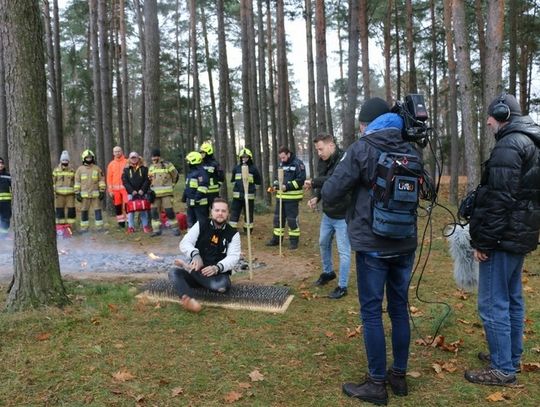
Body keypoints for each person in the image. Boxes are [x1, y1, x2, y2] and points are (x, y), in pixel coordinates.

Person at [322, 97, 421, 405]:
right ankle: (399, 377)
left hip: (373, 244)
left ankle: (377, 384)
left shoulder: (362, 148)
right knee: (399, 308)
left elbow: (330, 191)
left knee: (371, 311)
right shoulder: (410, 146)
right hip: (404, 243)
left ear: (366, 124)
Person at [464, 93, 540, 386]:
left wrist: (484, 242)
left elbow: (500, 201)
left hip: (503, 238)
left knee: (493, 303)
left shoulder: (509, 145)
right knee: (512, 299)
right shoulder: (530, 141)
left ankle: (502, 368)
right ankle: (510, 356)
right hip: (518, 236)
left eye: (491, 117)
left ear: (502, 113)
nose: (487, 122)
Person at [168, 198, 241, 313]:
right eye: (217, 210)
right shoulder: (201, 225)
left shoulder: (233, 234)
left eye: (223, 211)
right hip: (197, 269)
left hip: (217, 275)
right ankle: (189, 299)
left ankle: (188, 268)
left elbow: (234, 256)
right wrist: (196, 255)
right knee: (174, 272)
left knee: (222, 287)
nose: (220, 213)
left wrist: (217, 268)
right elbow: (185, 242)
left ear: (228, 214)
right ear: (211, 212)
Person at [304, 134, 351, 299]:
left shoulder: (344, 159)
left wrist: (313, 181)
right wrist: (317, 197)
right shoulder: (322, 161)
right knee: (323, 243)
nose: (319, 153)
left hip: (343, 214)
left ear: (331, 145)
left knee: (344, 251)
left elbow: (334, 179)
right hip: (328, 212)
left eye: (321, 149)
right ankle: (328, 272)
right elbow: (324, 183)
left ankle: (342, 286)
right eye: (317, 149)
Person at [266, 146, 306, 250]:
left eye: (283, 157)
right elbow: (277, 178)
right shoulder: (281, 164)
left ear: (288, 154)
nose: (282, 160)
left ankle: (294, 242)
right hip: (280, 197)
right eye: (281, 158)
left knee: (292, 220)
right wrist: (275, 186)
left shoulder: (298, 164)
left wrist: (286, 186)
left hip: (292, 198)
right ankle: (276, 239)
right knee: (278, 219)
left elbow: (301, 180)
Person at [148, 148, 180, 237]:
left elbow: (176, 175)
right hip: (155, 194)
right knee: (154, 212)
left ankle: (175, 228)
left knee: (169, 211)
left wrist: (172, 185)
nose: (154, 159)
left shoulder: (168, 165)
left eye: (155, 157)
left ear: (159, 156)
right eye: (152, 157)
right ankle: (156, 230)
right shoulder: (151, 167)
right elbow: (150, 179)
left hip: (167, 193)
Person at [229, 148, 261, 232]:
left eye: (246, 157)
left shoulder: (254, 169)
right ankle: (232, 229)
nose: (244, 159)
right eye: (242, 157)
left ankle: (248, 229)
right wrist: (237, 190)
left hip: (249, 196)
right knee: (234, 213)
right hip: (237, 197)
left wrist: (252, 190)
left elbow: (258, 182)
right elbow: (233, 181)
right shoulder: (236, 168)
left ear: (250, 157)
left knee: (248, 214)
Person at [74, 149, 106, 233]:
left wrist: (102, 191)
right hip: (84, 196)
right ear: (84, 158)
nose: (89, 159)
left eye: (90, 157)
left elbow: (101, 180)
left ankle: (99, 227)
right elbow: (77, 182)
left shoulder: (97, 169)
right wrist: (77, 193)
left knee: (97, 210)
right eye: (87, 157)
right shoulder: (80, 170)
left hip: (95, 195)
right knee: (84, 211)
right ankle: (84, 228)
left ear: (93, 158)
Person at [122, 151, 152, 234]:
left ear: (138, 158)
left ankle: (145, 226)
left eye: (135, 157)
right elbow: (125, 182)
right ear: (129, 159)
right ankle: (131, 227)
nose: (134, 159)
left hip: (143, 192)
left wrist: (142, 190)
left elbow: (147, 180)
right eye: (132, 158)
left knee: (143, 210)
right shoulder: (126, 169)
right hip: (131, 194)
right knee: (130, 211)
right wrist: (132, 191)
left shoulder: (144, 168)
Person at [182, 151, 209, 228]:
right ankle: (190, 237)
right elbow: (188, 186)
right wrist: (184, 196)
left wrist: (197, 199)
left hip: (199, 204)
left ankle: (202, 238)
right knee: (190, 221)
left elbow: (203, 186)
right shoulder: (191, 173)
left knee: (201, 222)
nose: (188, 163)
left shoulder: (201, 173)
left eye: (189, 161)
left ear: (194, 161)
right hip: (190, 203)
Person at [52, 150, 76, 230]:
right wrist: (54, 191)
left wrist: (76, 192)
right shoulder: (56, 171)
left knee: (71, 212)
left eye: (66, 160)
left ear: (68, 161)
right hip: (59, 195)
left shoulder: (72, 171)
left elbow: (76, 182)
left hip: (70, 195)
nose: (65, 161)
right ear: (60, 160)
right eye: (63, 160)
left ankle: (71, 229)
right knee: (59, 212)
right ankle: (60, 229)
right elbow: (52, 182)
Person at [107, 146, 129, 228]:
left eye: (119, 151)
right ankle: (121, 223)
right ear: (113, 153)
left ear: (122, 151)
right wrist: (110, 190)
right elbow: (109, 178)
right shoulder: (111, 164)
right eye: (115, 151)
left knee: (127, 205)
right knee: (118, 206)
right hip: (115, 190)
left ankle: (129, 222)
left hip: (126, 188)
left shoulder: (127, 162)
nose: (117, 153)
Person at [200, 142, 224, 209]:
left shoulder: (215, 164)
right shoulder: (200, 164)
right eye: (201, 152)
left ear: (208, 152)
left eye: (203, 152)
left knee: (215, 211)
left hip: (213, 193)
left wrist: (218, 184)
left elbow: (221, 176)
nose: (201, 154)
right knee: (203, 213)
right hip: (202, 192)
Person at [0, 157, 11, 239]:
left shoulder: (8, 176)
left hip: (6, 202)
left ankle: (4, 236)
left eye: (2, 163)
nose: (0, 165)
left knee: (5, 219)